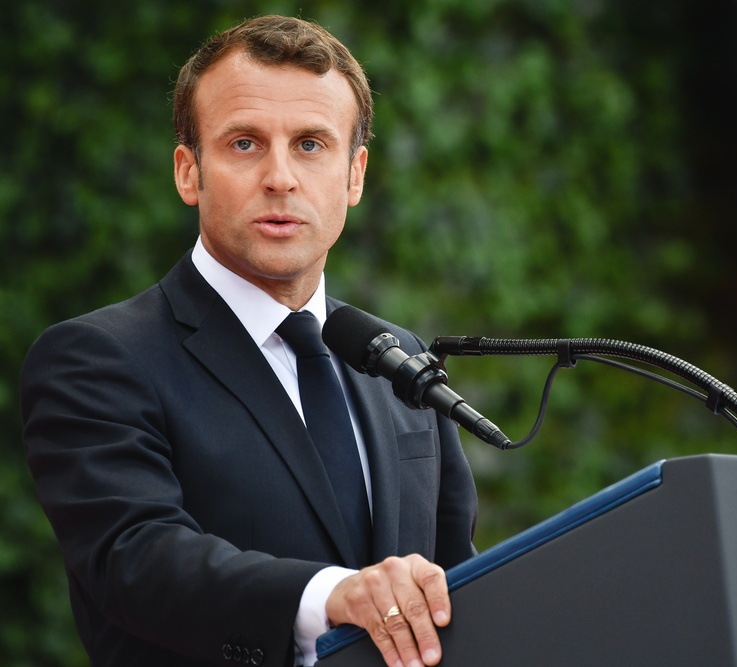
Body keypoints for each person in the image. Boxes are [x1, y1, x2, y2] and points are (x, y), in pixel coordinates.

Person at [19, 15, 478, 667]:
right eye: (244, 144)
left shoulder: (397, 357)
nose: (281, 177)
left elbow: (456, 583)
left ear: (355, 176)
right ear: (188, 171)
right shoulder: (94, 360)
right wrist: (333, 595)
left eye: (312, 144)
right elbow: (138, 557)